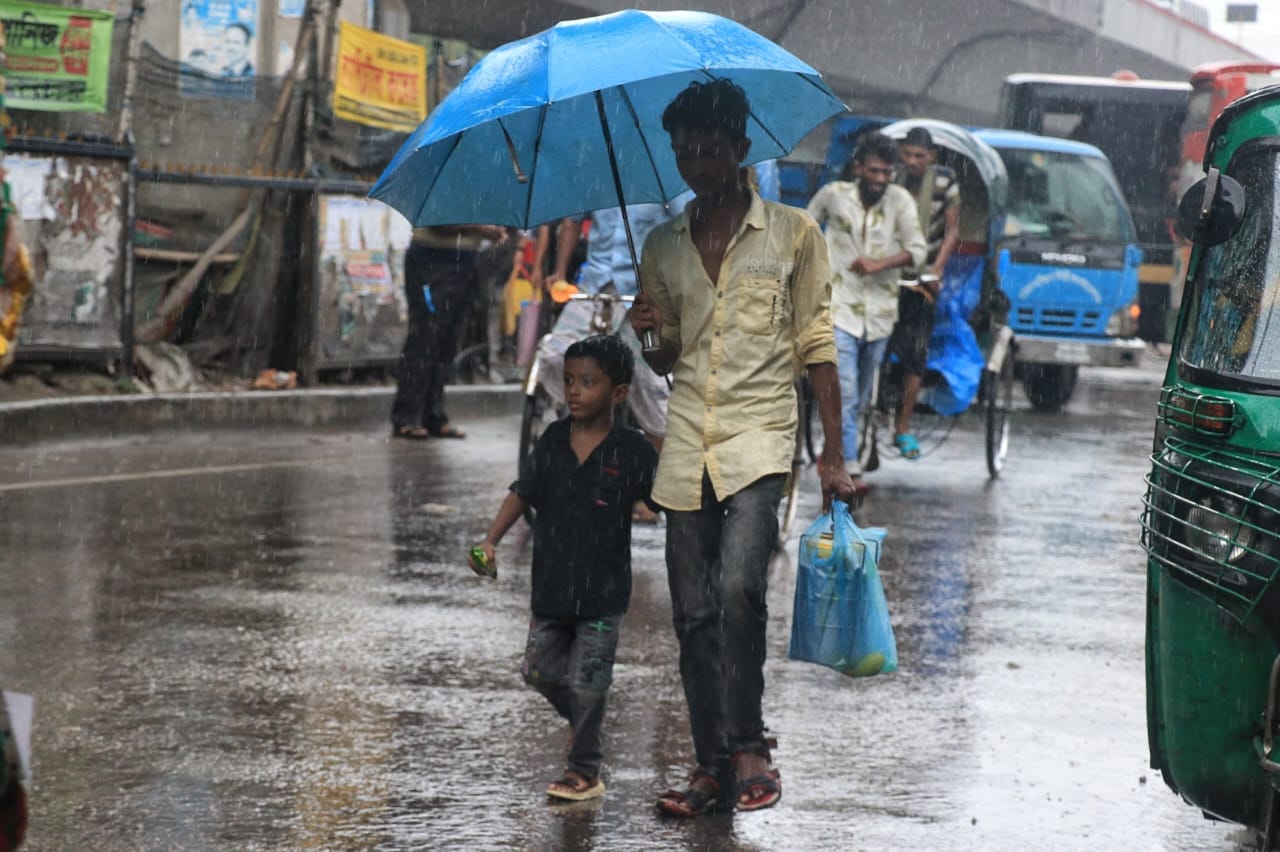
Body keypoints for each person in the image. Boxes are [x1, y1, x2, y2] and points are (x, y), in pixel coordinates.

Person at [629, 78, 857, 817]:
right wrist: (647, 332)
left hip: (761, 437)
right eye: (683, 150)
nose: (695, 162)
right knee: (691, 610)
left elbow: (818, 346)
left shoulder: (794, 234)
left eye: (709, 148)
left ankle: (750, 739)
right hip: (687, 437)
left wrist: (832, 455)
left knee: (737, 589)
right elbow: (666, 360)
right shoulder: (661, 244)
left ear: (740, 148)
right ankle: (710, 762)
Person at [471, 335, 658, 802]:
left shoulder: (632, 451)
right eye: (570, 381)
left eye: (588, 383)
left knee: (589, 682)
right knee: (538, 671)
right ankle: (585, 723)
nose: (574, 391)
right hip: (551, 589)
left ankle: (584, 770)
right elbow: (523, 491)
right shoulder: (554, 439)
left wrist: (652, 505)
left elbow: (664, 495)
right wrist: (491, 540)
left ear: (618, 393)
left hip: (603, 595)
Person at [806, 132, 926, 476]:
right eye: (874, 172)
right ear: (858, 168)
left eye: (887, 173)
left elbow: (917, 250)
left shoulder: (900, 202)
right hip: (838, 306)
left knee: (859, 395)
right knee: (844, 390)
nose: (880, 180)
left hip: (880, 312)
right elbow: (802, 231)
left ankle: (843, 445)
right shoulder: (834, 195)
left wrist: (881, 263)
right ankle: (847, 464)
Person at [390, 225, 506, 440]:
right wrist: (482, 229)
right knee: (425, 337)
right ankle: (407, 416)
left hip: (465, 262)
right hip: (431, 261)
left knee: (448, 343)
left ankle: (433, 414)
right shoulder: (441, 191)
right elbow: (439, 220)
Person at [890, 127, 960, 459]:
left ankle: (903, 427)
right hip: (889, 273)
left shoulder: (945, 181)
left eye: (919, 156)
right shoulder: (891, 178)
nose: (912, 161)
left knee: (916, 354)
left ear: (931, 156)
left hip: (925, 278)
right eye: (907, 154)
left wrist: (937, 270)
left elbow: (951, 230)